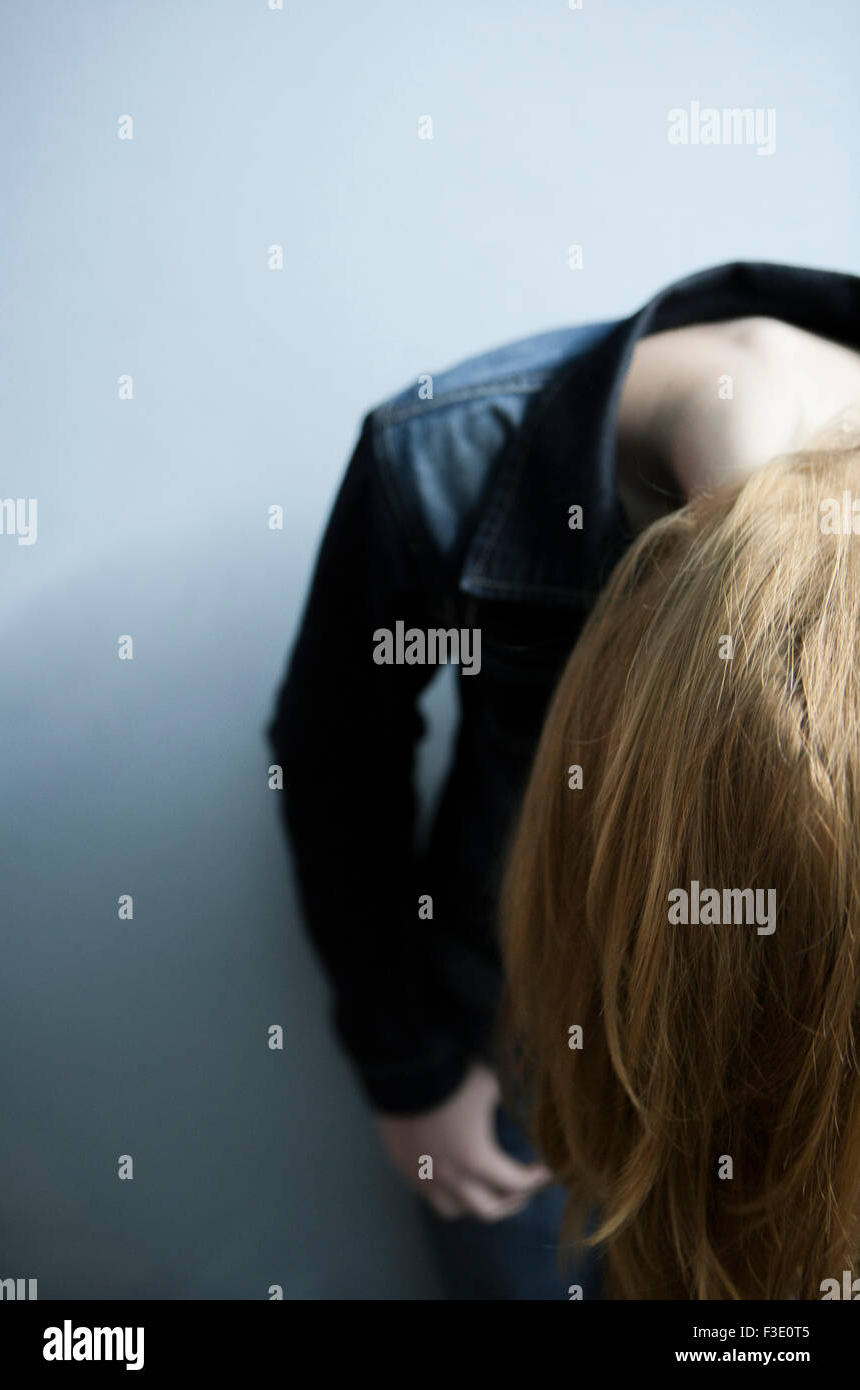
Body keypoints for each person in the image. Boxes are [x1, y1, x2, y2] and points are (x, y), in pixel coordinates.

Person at [266, 261, 860, 1299]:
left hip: (812, 1052)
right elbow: (334, 761)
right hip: (519, 1064)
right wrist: (408, 1074)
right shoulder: (434, 461)